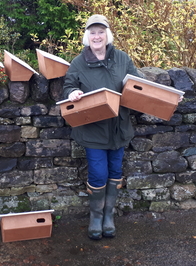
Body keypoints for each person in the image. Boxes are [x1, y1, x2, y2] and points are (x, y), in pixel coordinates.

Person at [63, 14, 141, 240]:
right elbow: (68, 85)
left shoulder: (122, 58)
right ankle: (95, 217)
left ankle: (109, 216)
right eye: (92, 32)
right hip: (92, 129)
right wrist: (72, 93)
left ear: (108, 34)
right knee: (99, 173)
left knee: (115, 172)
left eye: (101, 31)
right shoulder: (78, 62)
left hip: (119, 128)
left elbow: (136, 83)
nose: (97, 36)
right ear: (87, 36)